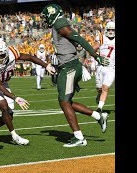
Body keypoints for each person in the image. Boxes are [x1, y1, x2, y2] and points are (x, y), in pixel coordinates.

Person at [41, 4, 109, 147]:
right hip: (67, 66)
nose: (45, 19)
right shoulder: (58, 25)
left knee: (64, 102)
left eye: (47, 15)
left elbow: (79, 39)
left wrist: (96, 56)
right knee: (67, 103)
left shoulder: (59, 23)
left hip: (70, 67)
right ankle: (98, 116)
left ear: (53, 14)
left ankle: (79, 138)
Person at [0, 38, 56, 145]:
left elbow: (30, 57)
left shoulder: (12, 53)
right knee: (4, 107)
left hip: (4, 82)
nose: (0, 58)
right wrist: (15, 98)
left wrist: (46, 65)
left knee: (9, 115)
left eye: (2, 55)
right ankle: (15, 136)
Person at [94, 21, 115, 113]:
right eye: (109, 29)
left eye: (113, 29)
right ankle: (99, 94)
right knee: (99, 88)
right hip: (101, 67)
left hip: (111, 68)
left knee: (105, 88)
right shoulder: (102, 37)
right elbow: (92, 49)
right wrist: (97, 56)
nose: (111, 31)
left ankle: (99, 108)